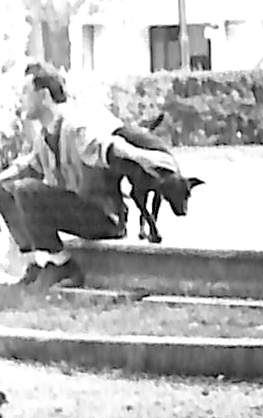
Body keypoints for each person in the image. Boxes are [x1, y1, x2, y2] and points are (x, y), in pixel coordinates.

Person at [0, 63, 180, 288]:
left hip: (101, 216)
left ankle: (62, 265)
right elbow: (28, 165)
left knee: (26, 189)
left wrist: (142, 157)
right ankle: (38, 263)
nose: (21, 98)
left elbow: (106, 146)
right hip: (75, 210)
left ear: (44, 95)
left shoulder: (75, 125)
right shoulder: (44, 135)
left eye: (26, 92)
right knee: (6, 189)